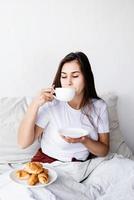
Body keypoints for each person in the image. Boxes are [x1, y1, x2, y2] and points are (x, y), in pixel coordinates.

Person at [18, 51, 109, 163]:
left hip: (82, 165)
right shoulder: (51, 104)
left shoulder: (99, 106)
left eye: (75, 76)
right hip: (49, 163)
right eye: (64, 76)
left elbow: (104, 151)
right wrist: (34, 104)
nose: (68, 82)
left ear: (87, 77)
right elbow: (23, 143)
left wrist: (84, 140)